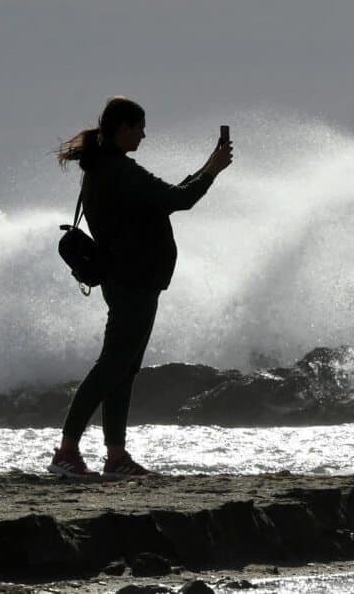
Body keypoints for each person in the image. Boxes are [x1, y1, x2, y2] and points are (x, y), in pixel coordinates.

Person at [48, 96, 233, 479]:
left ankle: (116, 457)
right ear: (122, 128)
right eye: (139, 127)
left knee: (122, 370)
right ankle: (67, 452)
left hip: (131, 280)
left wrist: (207, 167)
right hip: (132, 281)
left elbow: (167, 197)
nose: (144, 135)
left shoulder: (105, 168)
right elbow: (180, 199)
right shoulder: (117, 170)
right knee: (112, 366)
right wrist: (212, 171)